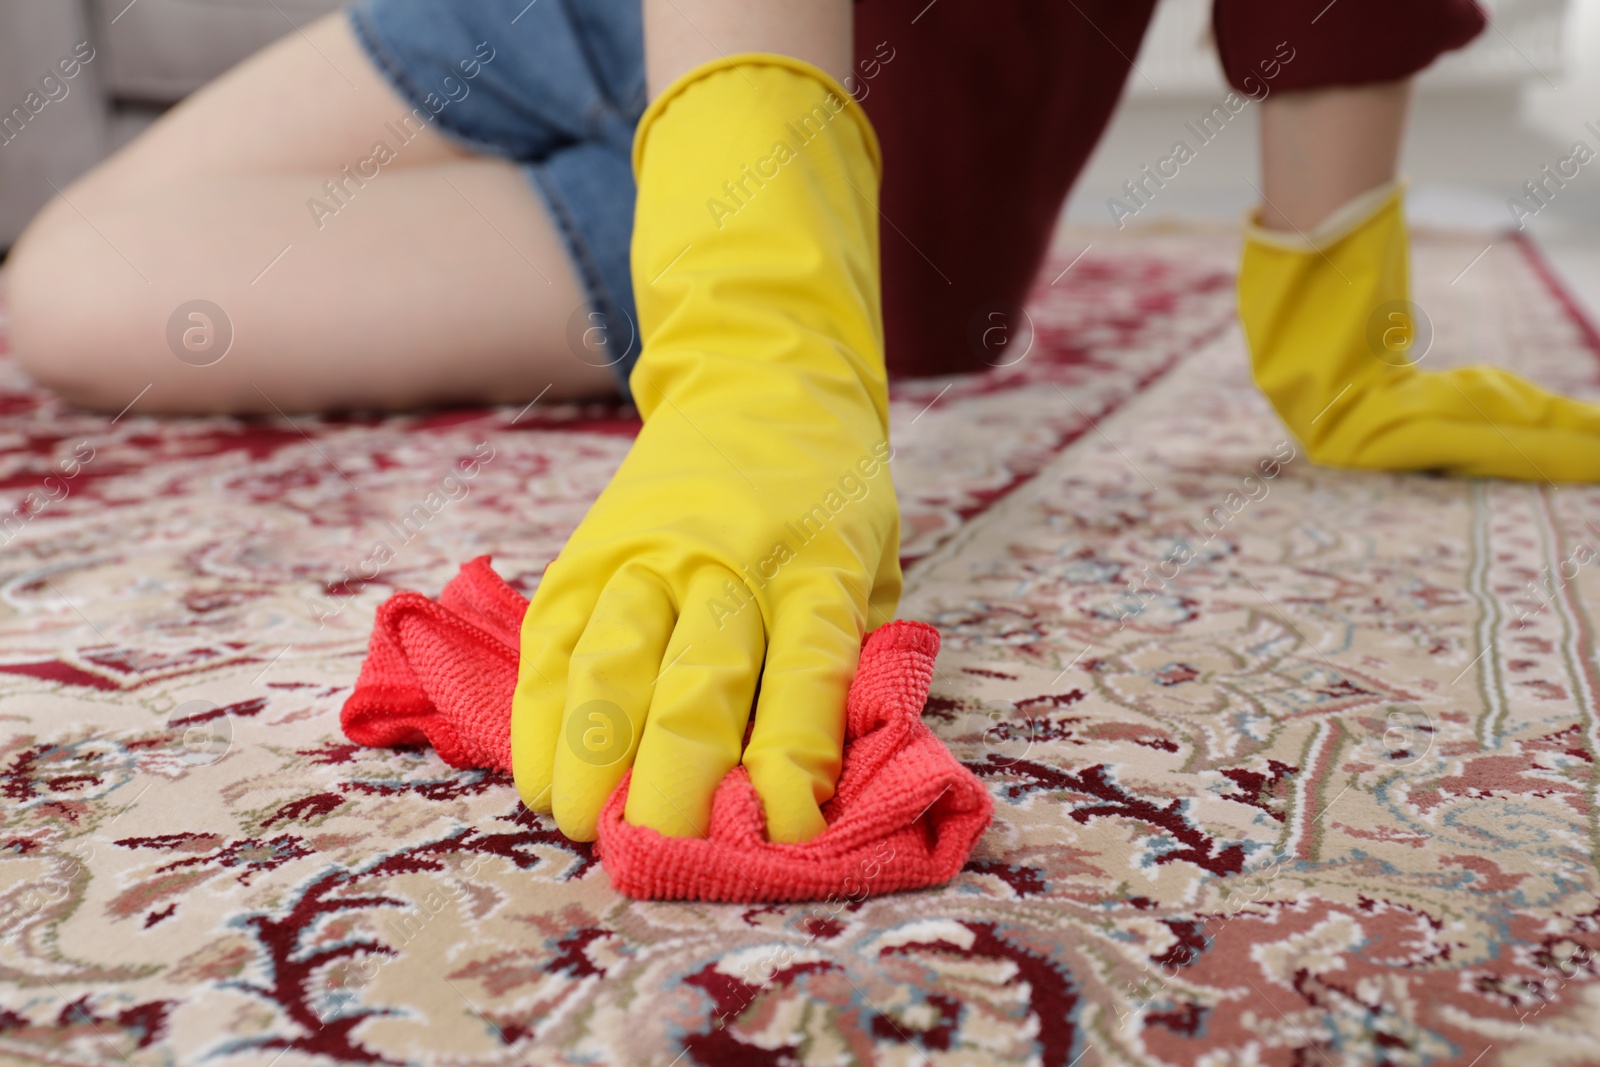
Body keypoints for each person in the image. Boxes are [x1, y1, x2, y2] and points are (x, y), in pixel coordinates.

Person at [5, 0, 1597, 845]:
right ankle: (665, 198)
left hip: (890, 105)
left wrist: (767, 300)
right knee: (68, 258)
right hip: (575, 9)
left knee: (85, 299)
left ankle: (704, 206)